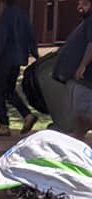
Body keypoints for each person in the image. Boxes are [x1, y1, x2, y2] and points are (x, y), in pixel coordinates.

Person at [0, 0, 39, 137]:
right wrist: (34, 53)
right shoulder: (22, 15)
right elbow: (30, 35)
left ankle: (4, 124)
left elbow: (2, 38)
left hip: (5, 58)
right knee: (9, 90)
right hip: (18, 58)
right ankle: (27, 115)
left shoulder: (6, 15)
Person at [53, 0, 92, 139]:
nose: (80, 7)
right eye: (79, 3)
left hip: (85, 78)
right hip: (79, 78)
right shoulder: (86, 22)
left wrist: (83, 65)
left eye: (85, 4)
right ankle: (79, 135)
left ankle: (78, 135)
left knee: (83, 111)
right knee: (78, 111)